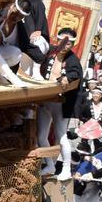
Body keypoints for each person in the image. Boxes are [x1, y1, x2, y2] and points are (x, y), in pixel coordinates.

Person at [38, 29, 83, 180]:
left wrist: (67, 78)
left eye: (69, 43)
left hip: (60, 102)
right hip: (45, 99)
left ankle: (66, 168)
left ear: (73, 44)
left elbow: (75, 73)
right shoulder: (50, 53)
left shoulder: (73, 60)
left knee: (61, 135)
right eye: (63, 42)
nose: (65, 46)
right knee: (41, 136)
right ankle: (49, 164)